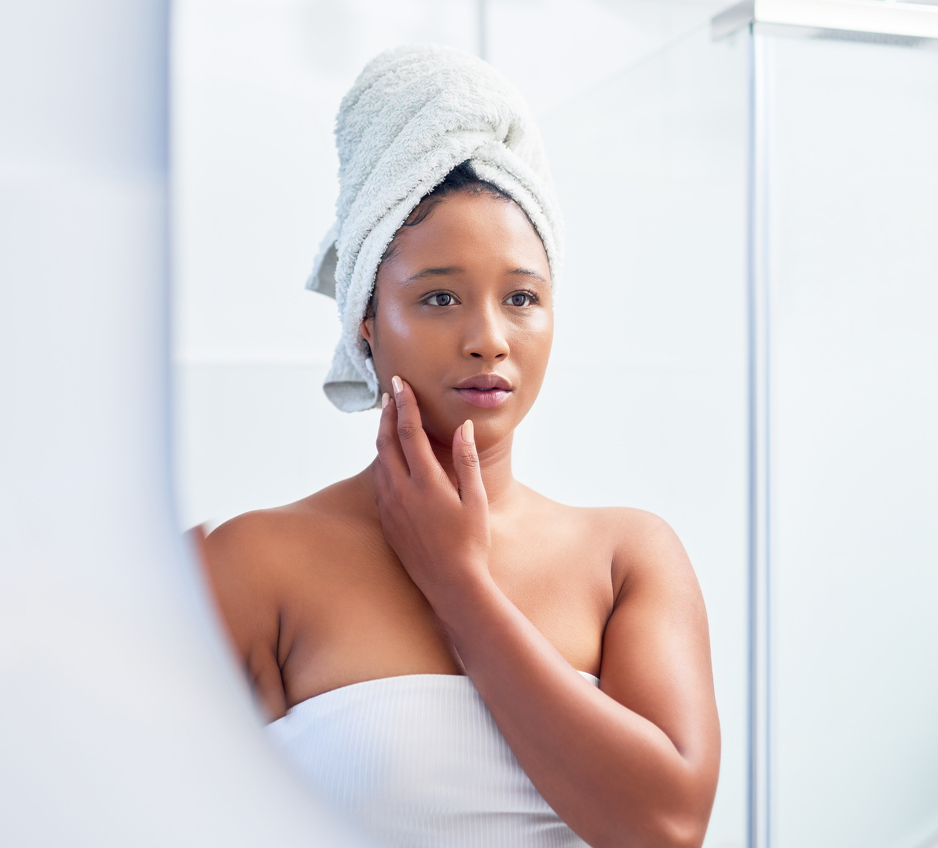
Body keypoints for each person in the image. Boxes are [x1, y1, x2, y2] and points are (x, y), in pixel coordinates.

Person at [202, 45, 720, 848]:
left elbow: (666, 827)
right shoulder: (251, 564)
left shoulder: (627, 558)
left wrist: (458, 584)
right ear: (366, 323)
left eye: (521, 297)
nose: (488, 339)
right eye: (439, 297)